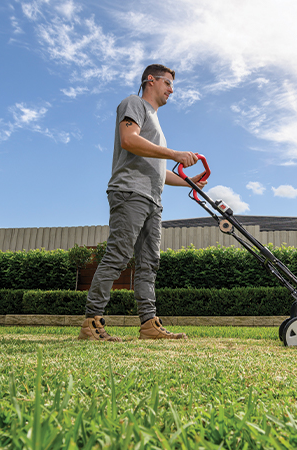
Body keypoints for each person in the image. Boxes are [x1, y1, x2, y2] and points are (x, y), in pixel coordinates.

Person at [78, 64, 207, 342]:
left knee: (149, 263)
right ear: (151, 80)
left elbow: (158, 169)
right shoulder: (133, 103)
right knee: (119, 255)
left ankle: (149, 324)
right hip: (130, 193)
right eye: (168, 83)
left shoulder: (155, 121)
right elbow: (129, 140)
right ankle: (91, 321)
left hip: (152, 199)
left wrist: (189, 182)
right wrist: (174, 153)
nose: (172, 90)